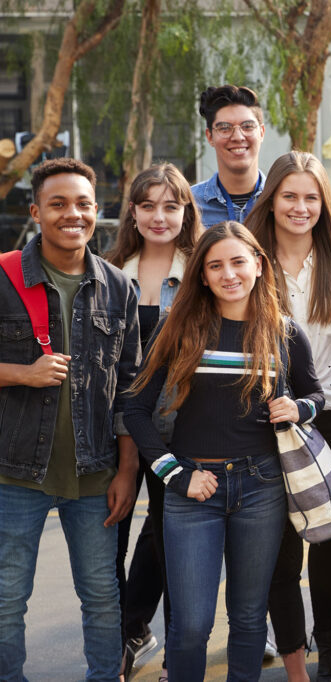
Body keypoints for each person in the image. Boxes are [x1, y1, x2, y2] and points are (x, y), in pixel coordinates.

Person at [124, 222, 324, 681]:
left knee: (250, 618)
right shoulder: (179, 328)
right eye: (215, 265)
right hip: (193, 490)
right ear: (202, 274)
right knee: (191, 625)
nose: (228, 274)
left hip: (262, 487)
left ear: (258, 264)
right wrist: (175, 474)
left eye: (238, 262)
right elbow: (134, 409)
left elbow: (318, 398)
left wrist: (297, 407)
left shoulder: (284, 331)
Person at [0, 158, 141, 681]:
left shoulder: (118, 287)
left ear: (97, 210)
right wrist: (22, 372)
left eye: (82, 204)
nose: (72, 214)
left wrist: (127, 472)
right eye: (57, 204)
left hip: (94, 475)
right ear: (36, 211)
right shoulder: (3, 276)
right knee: (7, 600)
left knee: (103, 599)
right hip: (14, 473)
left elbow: (131, 389)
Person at [247, 151, 331, 682]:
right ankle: (296, 667)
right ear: (271, 199)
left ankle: (330, 649)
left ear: (325, 204)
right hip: (264, 429)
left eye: (311, 197)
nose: (300, 207)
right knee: (279, 556)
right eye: (289, 196)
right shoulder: (248, 260)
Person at [105, 163, 201, 679]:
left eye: (171, 205)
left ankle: (147, 633)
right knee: (109, 537)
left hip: (179, 430)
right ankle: (121, 636)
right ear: (133, 212)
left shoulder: (202, 272)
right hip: (111, 428)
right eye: (148, 206)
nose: (159, 216)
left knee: (170, 539)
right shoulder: (108, 269)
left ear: (186, 211)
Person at [191, 85, 266, 228]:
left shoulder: (280, 201)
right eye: (225, 128)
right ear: (210, 136)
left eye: (247, 126)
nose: (238, 137)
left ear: (261, 132)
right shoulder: (190, 205)